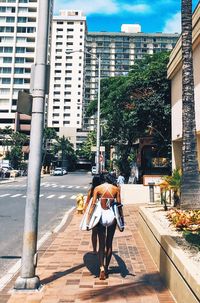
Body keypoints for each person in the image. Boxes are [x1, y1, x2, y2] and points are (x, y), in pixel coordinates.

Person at [87, 173, 122, 280]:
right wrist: (122, 222)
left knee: (101, 245)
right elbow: (119, 206)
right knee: (109, 244)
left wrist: (88, 221)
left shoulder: (98, 188)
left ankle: (101, 267)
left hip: (101, 217)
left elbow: (93, 205)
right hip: (112, 217)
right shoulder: (116, 189)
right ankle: (107, 267)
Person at [84, 174, 102, 254]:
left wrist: (86, 214)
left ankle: (94, 250)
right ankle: (101, 249)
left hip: (93, 212)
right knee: (102, 232)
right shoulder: (102, 190)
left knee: (94, 232)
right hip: (101, 211)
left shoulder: (91, 191)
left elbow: (87, 203)